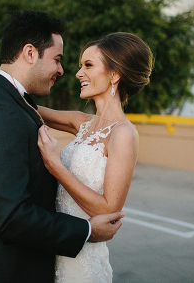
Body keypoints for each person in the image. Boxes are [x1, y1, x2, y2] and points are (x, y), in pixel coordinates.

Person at [0, 10, 126, 282]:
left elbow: (34, 109)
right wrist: (87, 232)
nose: (65, 70)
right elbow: (9, 217)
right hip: (4, 271)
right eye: (57, 59)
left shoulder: (6, 103)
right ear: (30, 53)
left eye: (88, 66)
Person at [36, 32, 153, 282]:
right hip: (55, 247)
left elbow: (110, 209)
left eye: (88, 65)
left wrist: (55, 165)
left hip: (84, 260)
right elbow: (25, 108)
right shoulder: (84, 123)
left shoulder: (123, 134)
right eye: (80, 66)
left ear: (114, 74)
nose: (78, 73)